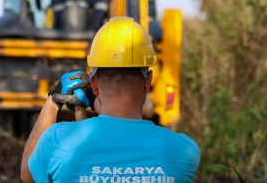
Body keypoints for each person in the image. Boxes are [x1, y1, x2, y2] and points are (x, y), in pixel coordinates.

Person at [21, 16, 201, 183]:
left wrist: (52, 103)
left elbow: (28, 176)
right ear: (148, 81)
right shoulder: (183, 151)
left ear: (94, 84)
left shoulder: (57, 140)